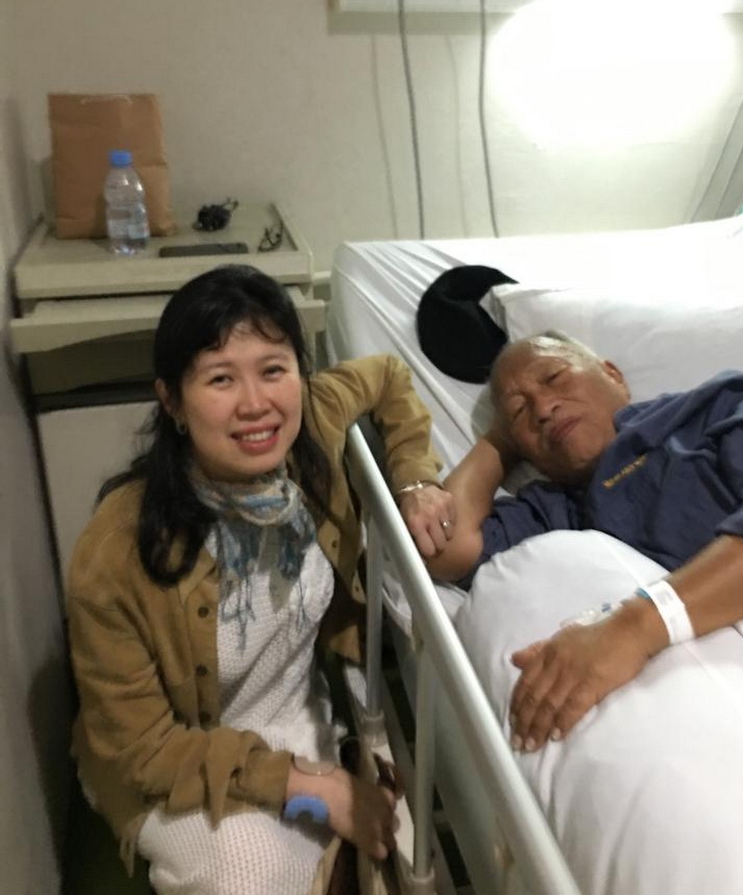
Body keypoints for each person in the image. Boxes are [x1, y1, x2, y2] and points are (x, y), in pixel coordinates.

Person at [67, 264, 455, 895]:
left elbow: (389, 376)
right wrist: (311, 785)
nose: (256, 404)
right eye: (220, 379)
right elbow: (142, 750)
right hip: (180, 757)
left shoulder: (312, 427)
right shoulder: (117, 554)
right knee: (247, 876)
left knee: (351, 852)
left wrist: (415, 479)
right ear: (172, 401)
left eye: (274, 370)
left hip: (295, 714)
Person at [416, 331, 743, 756]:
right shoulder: (558, 511)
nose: (543, 408)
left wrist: (635, 628)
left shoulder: (718, 406)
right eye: (520, 412)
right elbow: (444, 549)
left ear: (613, 375)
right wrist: (499, 442)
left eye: (554, 377)